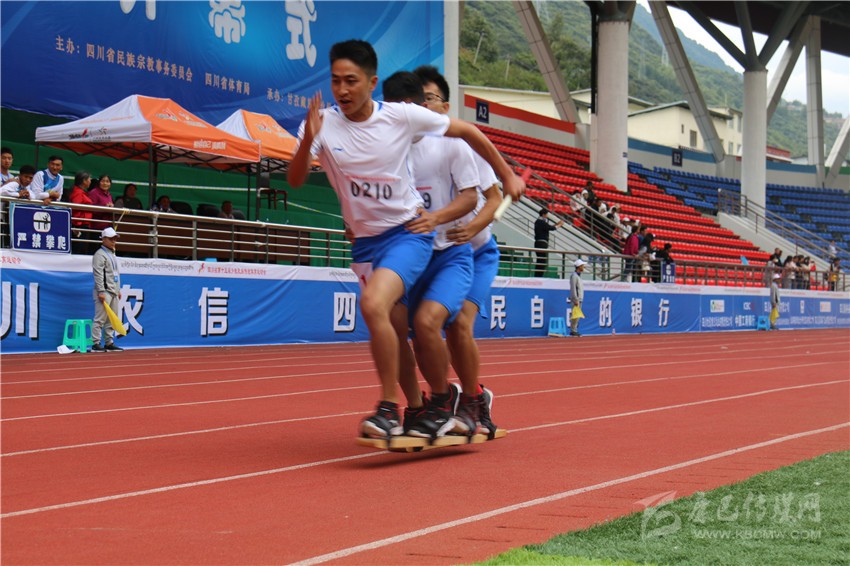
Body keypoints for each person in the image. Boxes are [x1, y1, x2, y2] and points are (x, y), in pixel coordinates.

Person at [287, 40, 524, 440]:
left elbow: (468, 135)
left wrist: (506, 174)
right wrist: (308, 141)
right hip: (367, 245)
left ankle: (415, 404)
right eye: (335, 81)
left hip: (415, 238)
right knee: (394, 326)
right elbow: (295, 180)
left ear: (371, 83)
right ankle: (416, 408)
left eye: (351, 81)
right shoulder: (322, 123)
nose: (342, 90)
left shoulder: (404, 120)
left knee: (408, 314)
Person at [381, 70, 478, 438]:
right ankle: (416, 405)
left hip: (449, 254)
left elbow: (471, 196)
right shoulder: (387, 148)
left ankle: (448, 400)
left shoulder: (451, 143)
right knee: (395, 328)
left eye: (424, 100)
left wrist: (435, 218)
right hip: (406, 254)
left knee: (426, 324)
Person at [415, 64, 502, 437]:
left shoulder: (463, 144)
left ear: (444, 106)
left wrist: (472, 228)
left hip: (475, 252)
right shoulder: (405, 146)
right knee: (422, 329)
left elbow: (494, 198)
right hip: (433, 254)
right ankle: (446, 396)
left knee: (459, 324)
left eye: (429, 98)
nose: (422, 105)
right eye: (415, 100)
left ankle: (472, 399)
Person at [92, 227, 124, 352]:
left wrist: (118, 290)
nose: (114, 241)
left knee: (112, 318)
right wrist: (101, 291)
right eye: (111, 239)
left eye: (115, 238)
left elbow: (115, 274)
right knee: (100, 318)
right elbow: (98, 274)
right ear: (103, 239)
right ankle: (95, 343)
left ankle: (109, 342)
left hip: (113, 291)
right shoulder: (99, 255)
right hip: (105, 291)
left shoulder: (112, 254)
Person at [68, 171, 94, 255]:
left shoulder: (80, 192)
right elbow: (76, 209)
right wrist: (76, 225)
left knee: (81, 247)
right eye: (89, 179)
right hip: (80, 225)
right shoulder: (78, 192)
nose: (90, 181)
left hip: (83, 223)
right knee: (78, 248)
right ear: (84, 181)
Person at [533, 208, 564, 277]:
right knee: (542, 261)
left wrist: (557, 224)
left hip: (539, 243)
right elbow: (551, 228)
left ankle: (538, 276)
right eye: (546, 214)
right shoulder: (540, 222)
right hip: (541, 243)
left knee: (541, 261)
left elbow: (548, 227)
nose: (547, 216)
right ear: (543, 215)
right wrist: (559, 225)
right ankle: (538, 276)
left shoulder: (539, 222)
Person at [569, 259, 586, 337]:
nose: (583, 267)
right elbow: (573, 288)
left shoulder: (578, 276)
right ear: (579, 266)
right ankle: (573, 330)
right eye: (582, 265)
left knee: (577, 316)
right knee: (575, 315)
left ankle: (574, 329)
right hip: (576, 299)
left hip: (579, 299)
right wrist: (575, 299)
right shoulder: (574, 276)